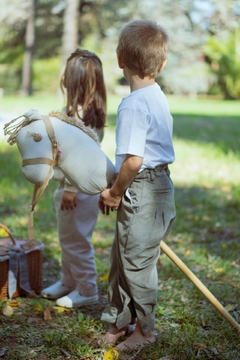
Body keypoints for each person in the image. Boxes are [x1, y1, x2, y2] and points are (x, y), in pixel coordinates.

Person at [98, 19, 176, 350]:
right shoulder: (156, 95)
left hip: (141, 189)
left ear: (119, 59)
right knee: (123, 257)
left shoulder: (133, 104)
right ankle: (118, 320)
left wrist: (115, 192)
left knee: (136, 264)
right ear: (162, 63)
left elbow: (133, 160)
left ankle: (144, 330)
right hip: (152, 188)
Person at [41, 48, 107, 308]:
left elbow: (80, 156)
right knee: (68, 238)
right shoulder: (78, 111)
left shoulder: (82, 118)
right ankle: (68, 281)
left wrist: (69, 187)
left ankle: (87, 288)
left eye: (67, 73)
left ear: (73, 80)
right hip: (71, 189)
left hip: (77, 191)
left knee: (77, 241)